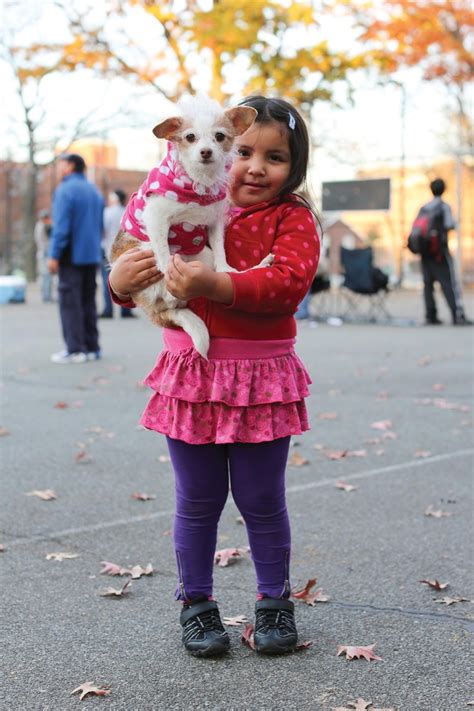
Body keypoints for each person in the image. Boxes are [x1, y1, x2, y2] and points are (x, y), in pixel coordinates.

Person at [108, 96, 321, 657]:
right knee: (198, 500)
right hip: (192, 375)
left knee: (261, 499)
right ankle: (197, 606)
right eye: (244, 150)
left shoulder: (291, 218)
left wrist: (217, 285)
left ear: (294, 167)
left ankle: (274, 602)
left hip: (261, 379)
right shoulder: (183, 196)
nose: (253, 166)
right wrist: (119, 280)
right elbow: (140, 258)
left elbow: (287, 284)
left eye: (274, 157)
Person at [48, 153, 104, 363]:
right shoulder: (94, 190)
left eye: (59, 163)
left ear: (70, 166)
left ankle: (75, 349)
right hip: (91, 254)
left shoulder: (65, 189)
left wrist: (54, 254)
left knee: (70, 302)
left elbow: (61, 227)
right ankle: (92, 347)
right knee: (88, 300)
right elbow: (99, 225)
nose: (57, 168)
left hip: (71, 254)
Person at [418, 178, 470, 326]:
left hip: (425, 253)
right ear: (444, 189)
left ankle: (430, 315)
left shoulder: (424, 208)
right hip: (439, 252)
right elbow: (449, 224)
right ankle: (457, 315)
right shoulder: (444, 207)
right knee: (448, 283)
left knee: (427, 284)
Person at [100, 189, 135, 319]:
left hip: (108, 249)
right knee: (127, 281)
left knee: (106, 280)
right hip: (125, 251)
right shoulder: (127, 211)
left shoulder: (107, 212)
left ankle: (108, 309)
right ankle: (126, 310)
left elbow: (102, 230)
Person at [34, 209, 54, 302]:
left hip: (44, 253)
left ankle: (47, 295)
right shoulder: (42, 226)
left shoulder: (43, 225)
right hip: (44, 253)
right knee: (46, 275)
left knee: (47, 276)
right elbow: (44, 242)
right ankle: (46, 296)